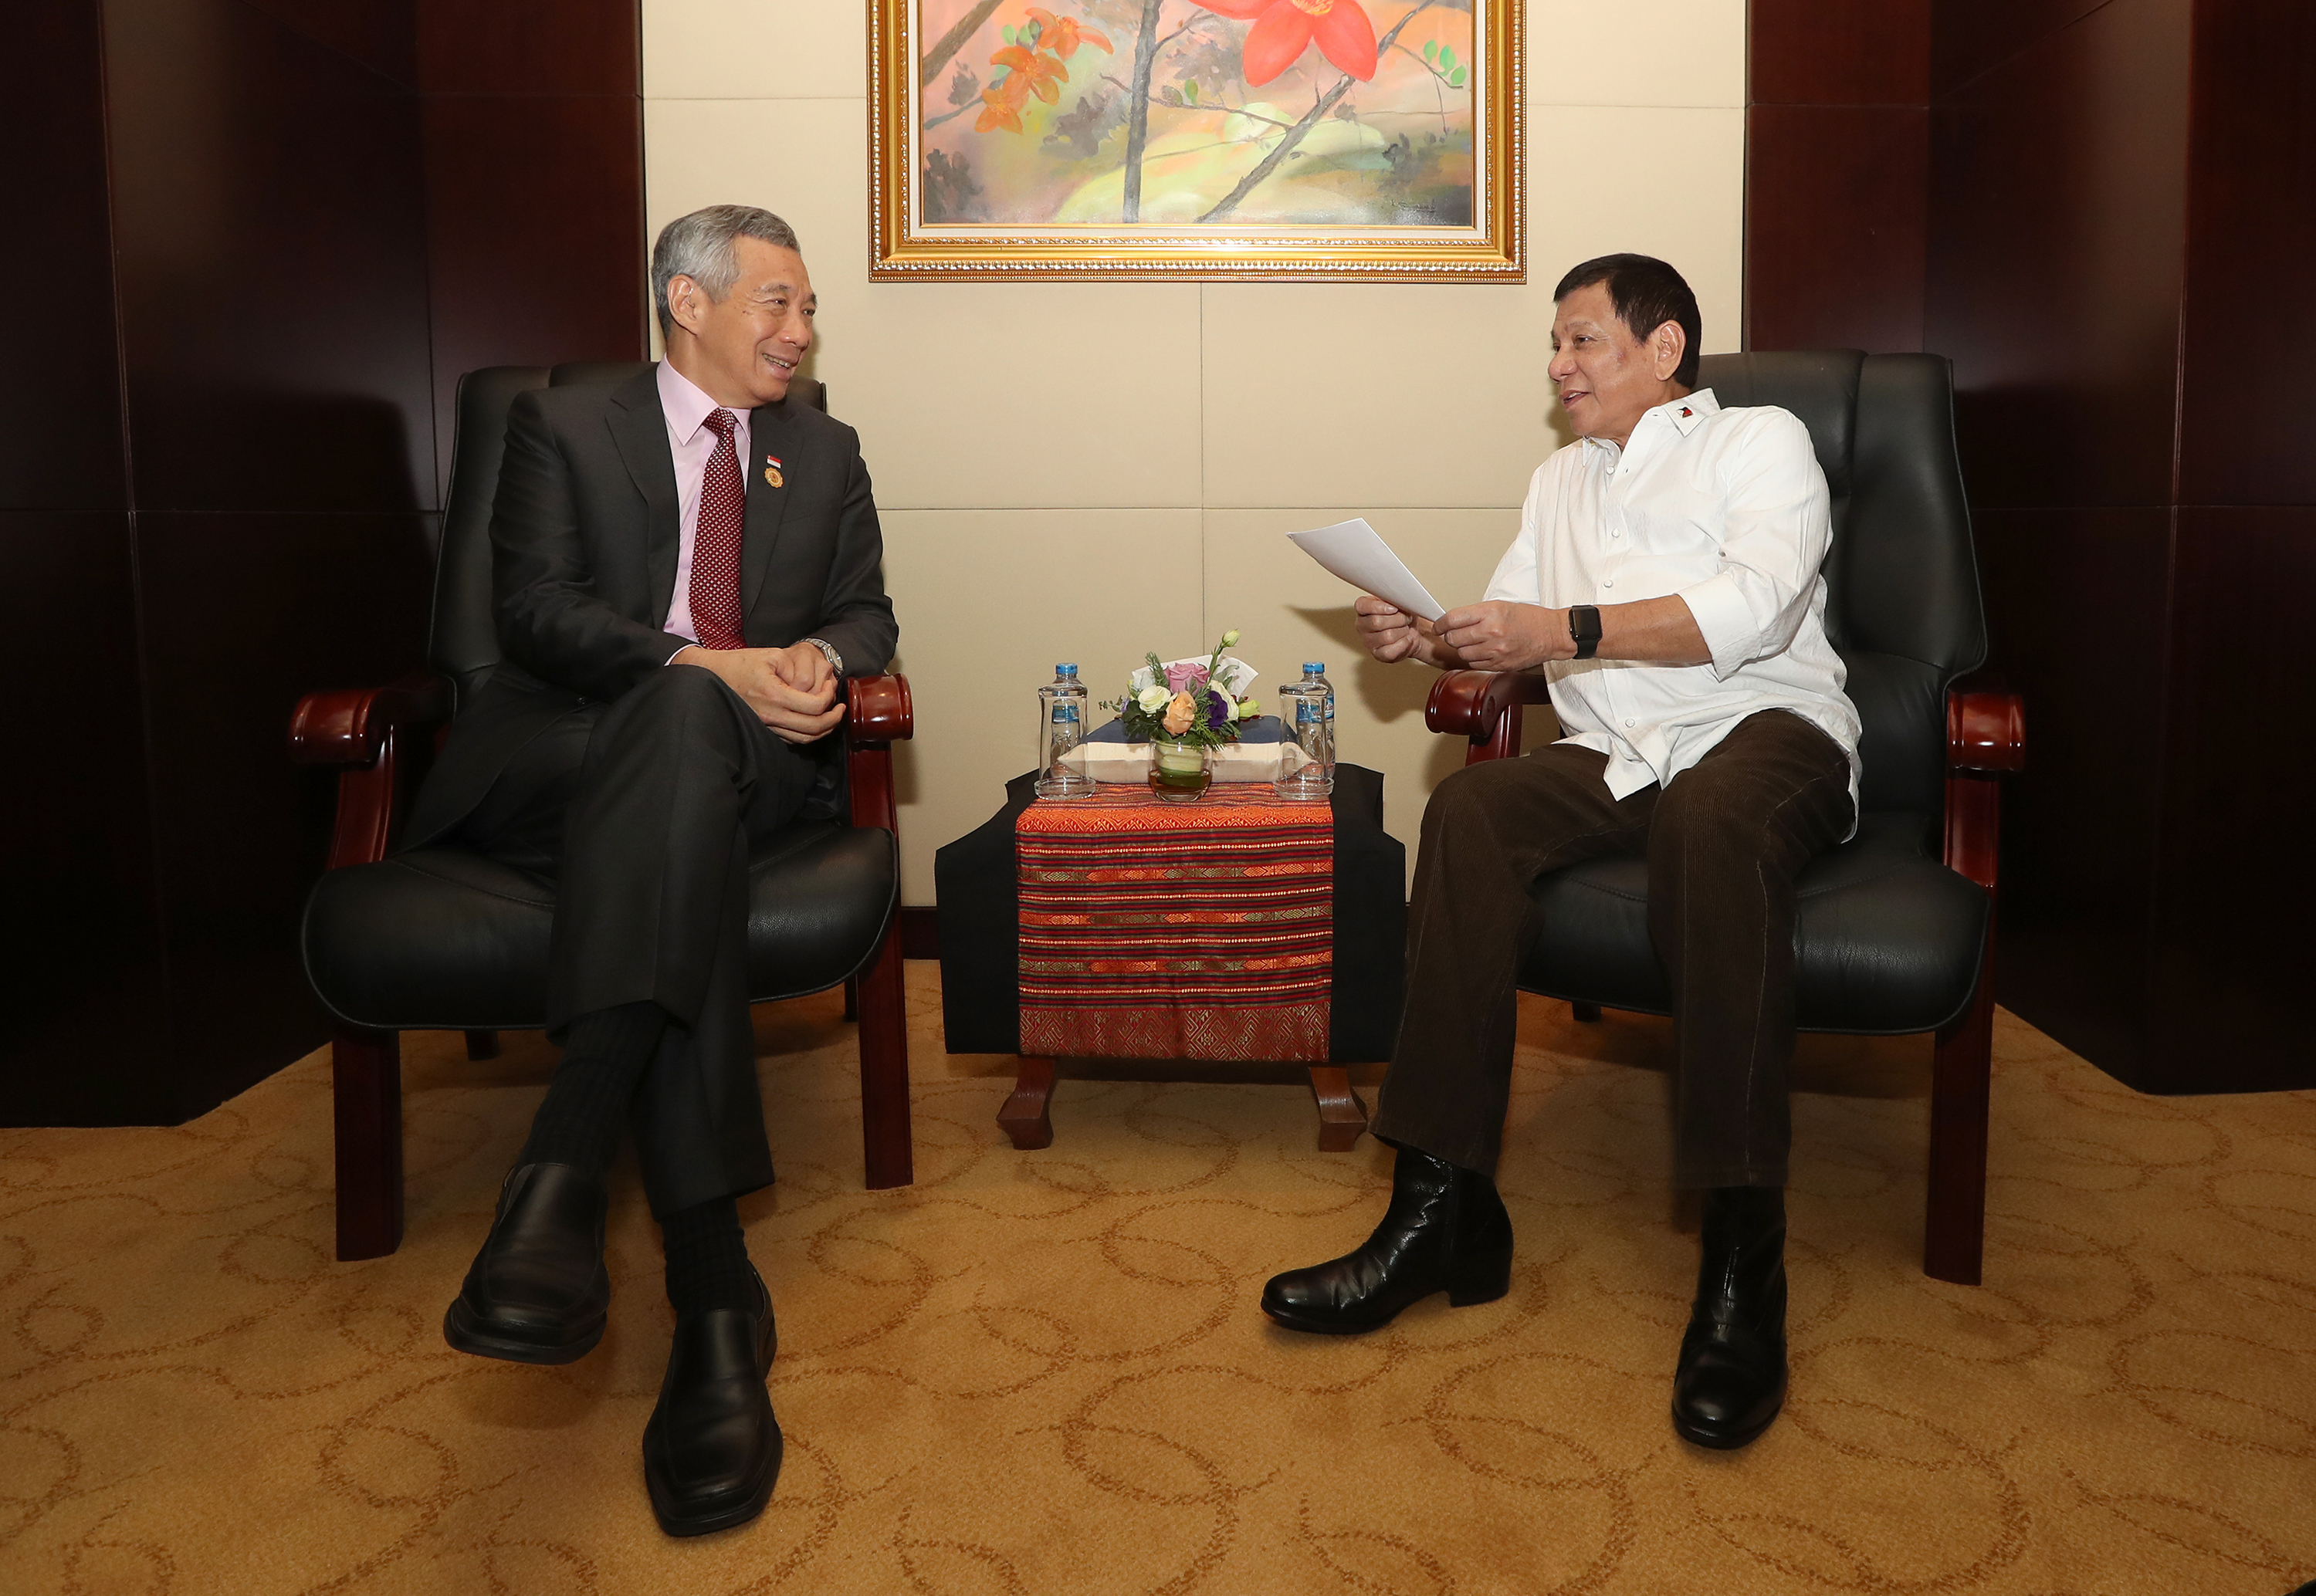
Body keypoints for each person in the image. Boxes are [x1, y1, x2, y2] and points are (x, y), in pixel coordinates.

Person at [1260, 254, 1860, 1452]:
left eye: (1583, 340)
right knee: (1470, 815)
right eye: (1557, 344)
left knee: (1714, 820)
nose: (1559, 365)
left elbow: (1757, 608)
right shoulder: (1560, 482)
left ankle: (1746, 1257)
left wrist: (1568, 628)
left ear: (1665, 347)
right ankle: (1441, 1208)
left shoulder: (1761, 443)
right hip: (1623, 748)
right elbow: (1509, 640)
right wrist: (1427, 637)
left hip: (1765, 731)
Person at [399, 205, 896, 1533]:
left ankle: (563, 1175)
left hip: (742, 768)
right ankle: (716, 1287)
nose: (801, 331)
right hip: (558, 759)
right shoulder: (563, 427)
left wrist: (818, 665)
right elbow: (538, 614)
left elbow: (867, 612)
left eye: (808, 309)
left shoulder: (824, 449)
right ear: (689, 301)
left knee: (691, 753)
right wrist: (704, 667)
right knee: (680, 717)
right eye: (777, 304)